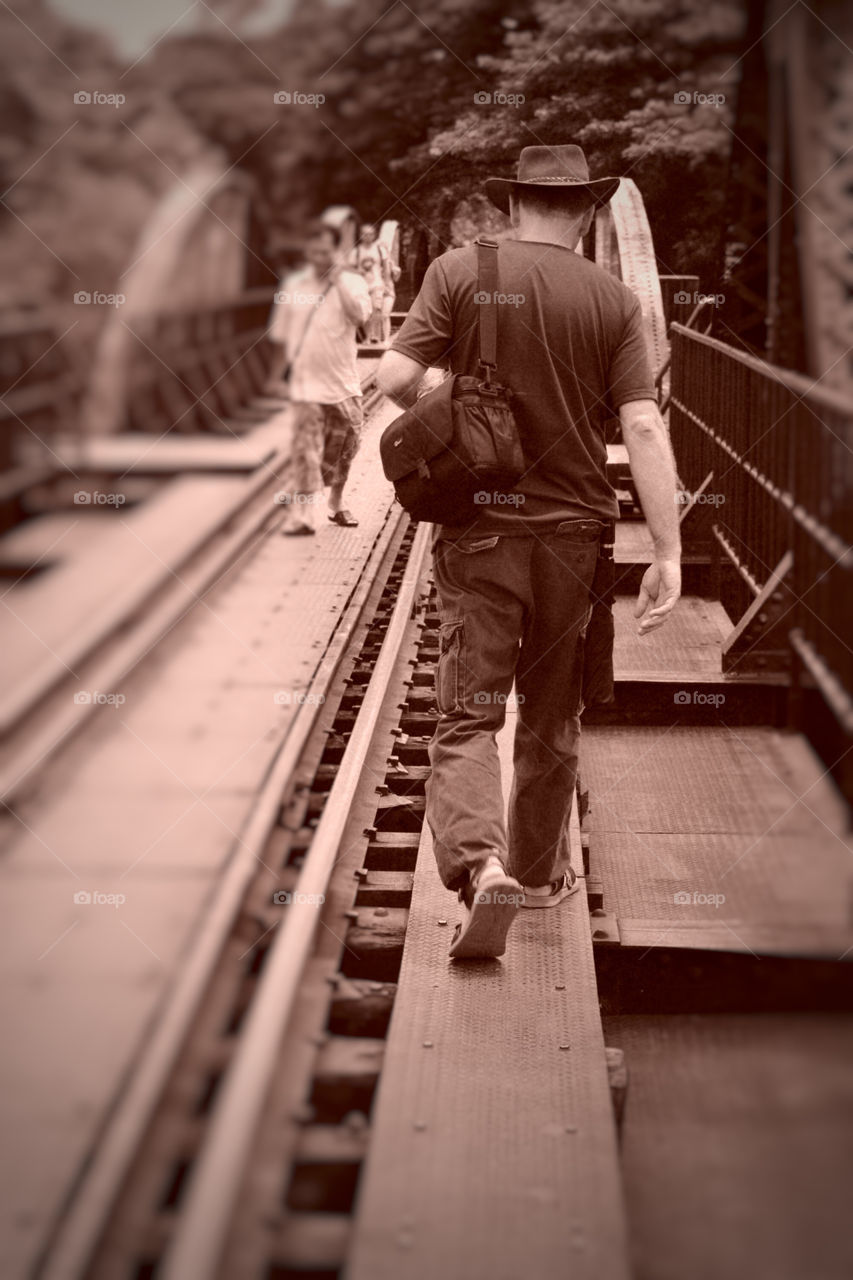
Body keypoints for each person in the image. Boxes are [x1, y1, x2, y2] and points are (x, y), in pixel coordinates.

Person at [376, 144, 681, 959]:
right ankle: (539, 878)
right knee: (552, 716)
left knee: (467, 714)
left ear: (512, 205)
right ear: (585, 211)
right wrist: (667, 550)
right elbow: (643, 425)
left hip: (482, 529)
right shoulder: (614, 299)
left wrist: (453, 404)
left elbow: (396, 376)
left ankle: (479, 869)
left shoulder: (458, 271)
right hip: (577, 537)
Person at [267, 219, 371, 532]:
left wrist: (338, 282)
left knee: (346, 449)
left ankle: (336, 502)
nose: (319, 257)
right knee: (305, 449)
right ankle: (303, 515)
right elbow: (282, 336)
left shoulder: (353, 283)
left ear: (336, 250)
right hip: (304, 384)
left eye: (325, 251)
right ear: (306, 251)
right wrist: (275, 378)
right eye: (313, 251)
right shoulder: (294, 285)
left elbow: (359, 317)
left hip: (343, 382)